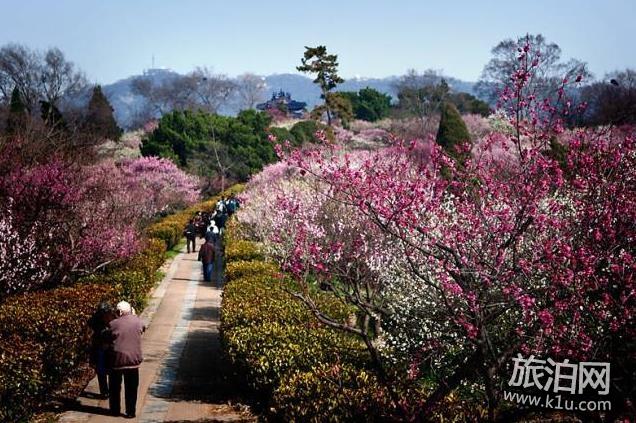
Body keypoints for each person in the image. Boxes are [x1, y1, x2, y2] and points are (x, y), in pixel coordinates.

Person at [106, 301, 146, 419]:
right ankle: (130, 412)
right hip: (133, 361)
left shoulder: (113, 324)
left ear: (118, 312)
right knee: (132, 388)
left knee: (114, 387)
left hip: (117, 361)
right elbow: (143, 328)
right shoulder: (138, 321)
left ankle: (115, 410)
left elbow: (107, 336)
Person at [88, 302, 115, 399]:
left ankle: (110, 391)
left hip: (109, 346)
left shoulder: (112, 316)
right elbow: (91, 324)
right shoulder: (96, 319)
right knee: (100, 370)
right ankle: (104, 391)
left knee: (110, 370)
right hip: (100, 346)